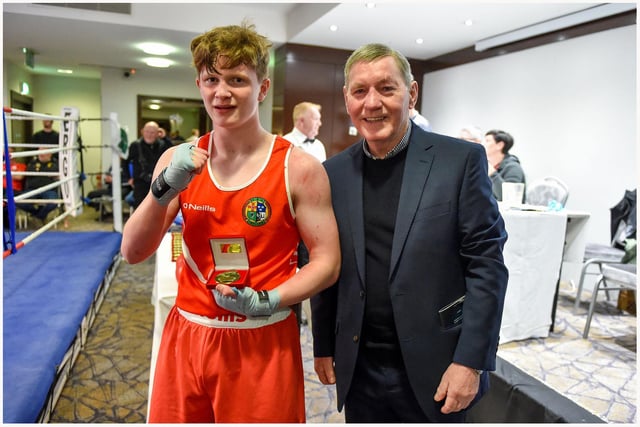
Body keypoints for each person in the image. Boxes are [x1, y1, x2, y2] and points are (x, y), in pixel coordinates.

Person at [120, 22, 340, 423]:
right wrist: (163, 190)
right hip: (188, 334)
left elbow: (327, 261)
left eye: (237, 79)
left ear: (262, 87)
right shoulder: (176, 160)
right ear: (200, 84)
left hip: (263, 339)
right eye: (211, 79)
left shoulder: (299, 167)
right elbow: (132, 251)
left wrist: (272, 299)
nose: (222, 92)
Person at [311, 43, 509, 423]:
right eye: (360, 91)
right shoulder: (333, 173)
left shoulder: (460, 161)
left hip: (438, 365)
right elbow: (326, 266)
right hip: (361, 364)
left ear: (412, 93)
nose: (372, 103)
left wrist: (470, 361)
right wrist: (323, 344)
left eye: (387, 88)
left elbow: (487, 266)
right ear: (347, 99)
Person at [124, 121, 172, 209]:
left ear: (158, 133)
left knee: (157, 209)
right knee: (140, 209)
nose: (149, 135)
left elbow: (172, 152)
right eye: (147, 132)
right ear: (142, 131)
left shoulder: (162, 144)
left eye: (153, 132)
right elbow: (125, 162)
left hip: (158, 182)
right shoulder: (135, 145)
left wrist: (165, 137)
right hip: (140, 183)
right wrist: (128, 178)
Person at [17, 147, 60, 222]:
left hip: (49, 190)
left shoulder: (56, 164)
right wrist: (48, 173)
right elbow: (28, 173)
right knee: (19, 201)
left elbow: (58, 175)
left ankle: (39, 216)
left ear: (50, 154)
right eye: (39, 152)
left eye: (44, 152)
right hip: (32, 189)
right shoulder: (32, 163)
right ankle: (38, 214)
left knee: (54, 202)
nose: (41, 154)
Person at [483, 129, 526, 201]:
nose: (482, 143)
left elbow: (510, 199)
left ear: (500, 145)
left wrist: (493, 174)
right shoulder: (485, 165)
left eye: (487, 141)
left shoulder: (513, 167)